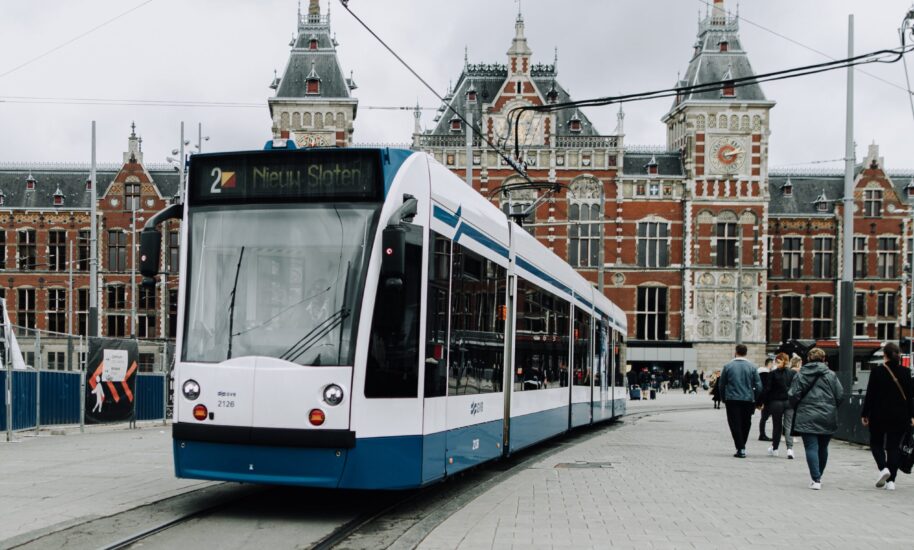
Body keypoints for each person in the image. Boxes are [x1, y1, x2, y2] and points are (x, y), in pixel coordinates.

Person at [788, 347, 844, 490]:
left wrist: (798, 406)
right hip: (827, 414)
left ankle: (816, 479)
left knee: (811, 447)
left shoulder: (801, 374)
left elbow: (793, 394)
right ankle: (819, 476)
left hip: (806, 414)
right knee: (823, 447)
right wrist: (831, 406)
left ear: (808, 359)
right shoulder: (831, 375)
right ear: (824, 359)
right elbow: (840, 395)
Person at [861, 342, 914, 491]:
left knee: (876, 443)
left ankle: (883, 468)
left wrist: (865, 413)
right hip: (900, 416)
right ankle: (891, 482)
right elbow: (910, 397)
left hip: (879, 415)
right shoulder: (906, 372)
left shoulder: (877, 372)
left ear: (885, 355)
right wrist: (912, 415)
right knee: (893, 447)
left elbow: (870, 395)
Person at [718, 344, 762, 458]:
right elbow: (759, 386)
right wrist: (756, 399)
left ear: (736, 352)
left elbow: (721, 384)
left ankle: (740, 447)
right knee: (746, 423)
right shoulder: (752, 367)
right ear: (746, 353)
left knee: (734, 423)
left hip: (732, 399)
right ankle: (742, 445)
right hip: (748, 399)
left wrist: (723, 398)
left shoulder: (728, 366)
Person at [765, 352, 796, 459]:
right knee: (788, 425)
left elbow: (768, 389)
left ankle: (775, 448)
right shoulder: (793, 373)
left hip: (776, 402)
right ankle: (790, 449)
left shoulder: (772, 373)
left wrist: (765, 402)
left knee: (776, 426)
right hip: (789, 402)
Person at [757, 357, 773, 441]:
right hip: (766, 399)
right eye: (772, 363)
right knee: (764, 417)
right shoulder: (766, 374)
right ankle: (762, 434)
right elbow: (766, 388)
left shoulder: (760, 373)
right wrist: (763, 401)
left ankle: (762, 434)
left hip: (763, 398)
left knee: (764, 417)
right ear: (769, 363)